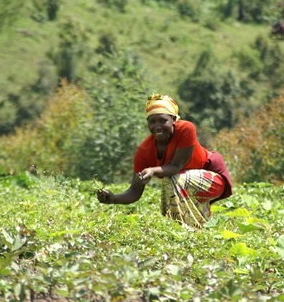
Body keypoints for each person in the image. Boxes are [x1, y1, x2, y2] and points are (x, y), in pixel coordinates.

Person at [96, 93, 233, 229]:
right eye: (152, 122)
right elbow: (134, 191)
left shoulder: (186, 129)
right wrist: (114, 198)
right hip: (186, 186)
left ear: (174, 119)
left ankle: (189, 228)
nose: (157, 126)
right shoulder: (144, 151)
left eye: (163, 120)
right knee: (176, 187)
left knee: (172, 178)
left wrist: (152, 170)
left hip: (213, 179)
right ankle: (192, 230)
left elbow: (175, 166)